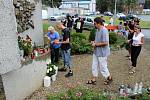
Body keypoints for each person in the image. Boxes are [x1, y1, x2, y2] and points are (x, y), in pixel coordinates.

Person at [86, 17, 112, 85]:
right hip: (96, 51)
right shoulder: (97, 30)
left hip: (102, 53)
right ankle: (94, 79)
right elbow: (98, 40)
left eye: (95, 24)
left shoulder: (104, 30)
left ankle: (109, 78)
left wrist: (96, 44)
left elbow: (106, 43)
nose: (94, 25)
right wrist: (93, 42)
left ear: (99, 23)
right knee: (94, 66)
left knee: (103, 67)